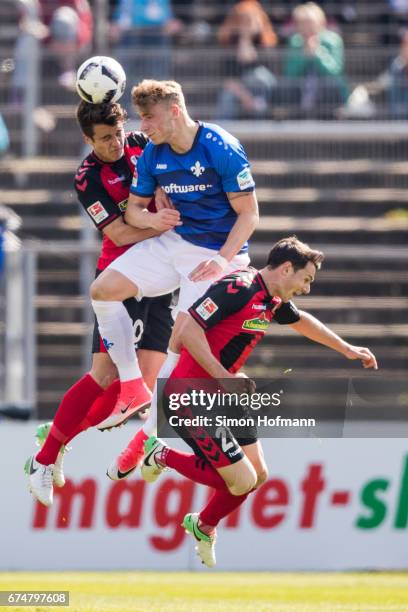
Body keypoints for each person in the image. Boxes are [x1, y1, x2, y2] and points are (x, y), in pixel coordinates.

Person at [136, 236, 378, 567]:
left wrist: (347, 349)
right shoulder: (238, 287)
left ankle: (203, 525)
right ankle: (159, 455)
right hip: (189, 395)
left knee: (258, 475)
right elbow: (187, 331)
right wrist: (223, 375)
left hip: (224, 395)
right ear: (287, 268)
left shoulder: (272, 298)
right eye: (306, 279)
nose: (306, 288)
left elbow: (302, 321)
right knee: (242, 480)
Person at [91, 79, 259, 450]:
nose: (143, 127)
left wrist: (220, 261)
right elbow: (134, 209)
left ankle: (145, 440)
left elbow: (249, 215)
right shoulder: (153, 153)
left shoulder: (220, 147)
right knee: (102, 290)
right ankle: (134, 386)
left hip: (218, 254)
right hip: (174, 241)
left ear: (175, 111)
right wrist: (151, 221)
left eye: (149, 118)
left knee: (180, 346)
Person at [25, 100, 174, 507]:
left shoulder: (144, 144)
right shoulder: (88, 177)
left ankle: (56, 434)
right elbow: (121, 235)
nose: (115, 144)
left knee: (140, 390)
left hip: (163, 279)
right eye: (105, 139)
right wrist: (165, 228)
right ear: (88, 140)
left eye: (118, 135)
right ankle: (44, 457)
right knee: (105, 374)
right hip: (120, 278)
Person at [282, 2, 348, 118]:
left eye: (310, 23)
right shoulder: (295, 41)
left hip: (328, 92)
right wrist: (304, 56)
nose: (307, 27)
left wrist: (318, 53)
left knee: (330, 84)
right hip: (301, 88)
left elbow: (335, 70)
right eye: (302, 23)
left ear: (321, 23)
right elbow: (289, 72)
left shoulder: (332, 40)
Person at [215, 0, 277, 120]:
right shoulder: (228, 43)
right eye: (244, 21)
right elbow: (228, 81)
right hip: (238, 89)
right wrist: (244, 38)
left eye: (252, 19)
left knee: (260, 78)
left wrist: (248, 39)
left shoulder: (265, 42)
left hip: (258, 90)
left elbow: (267, 77)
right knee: (227, 96)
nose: (248, 24)